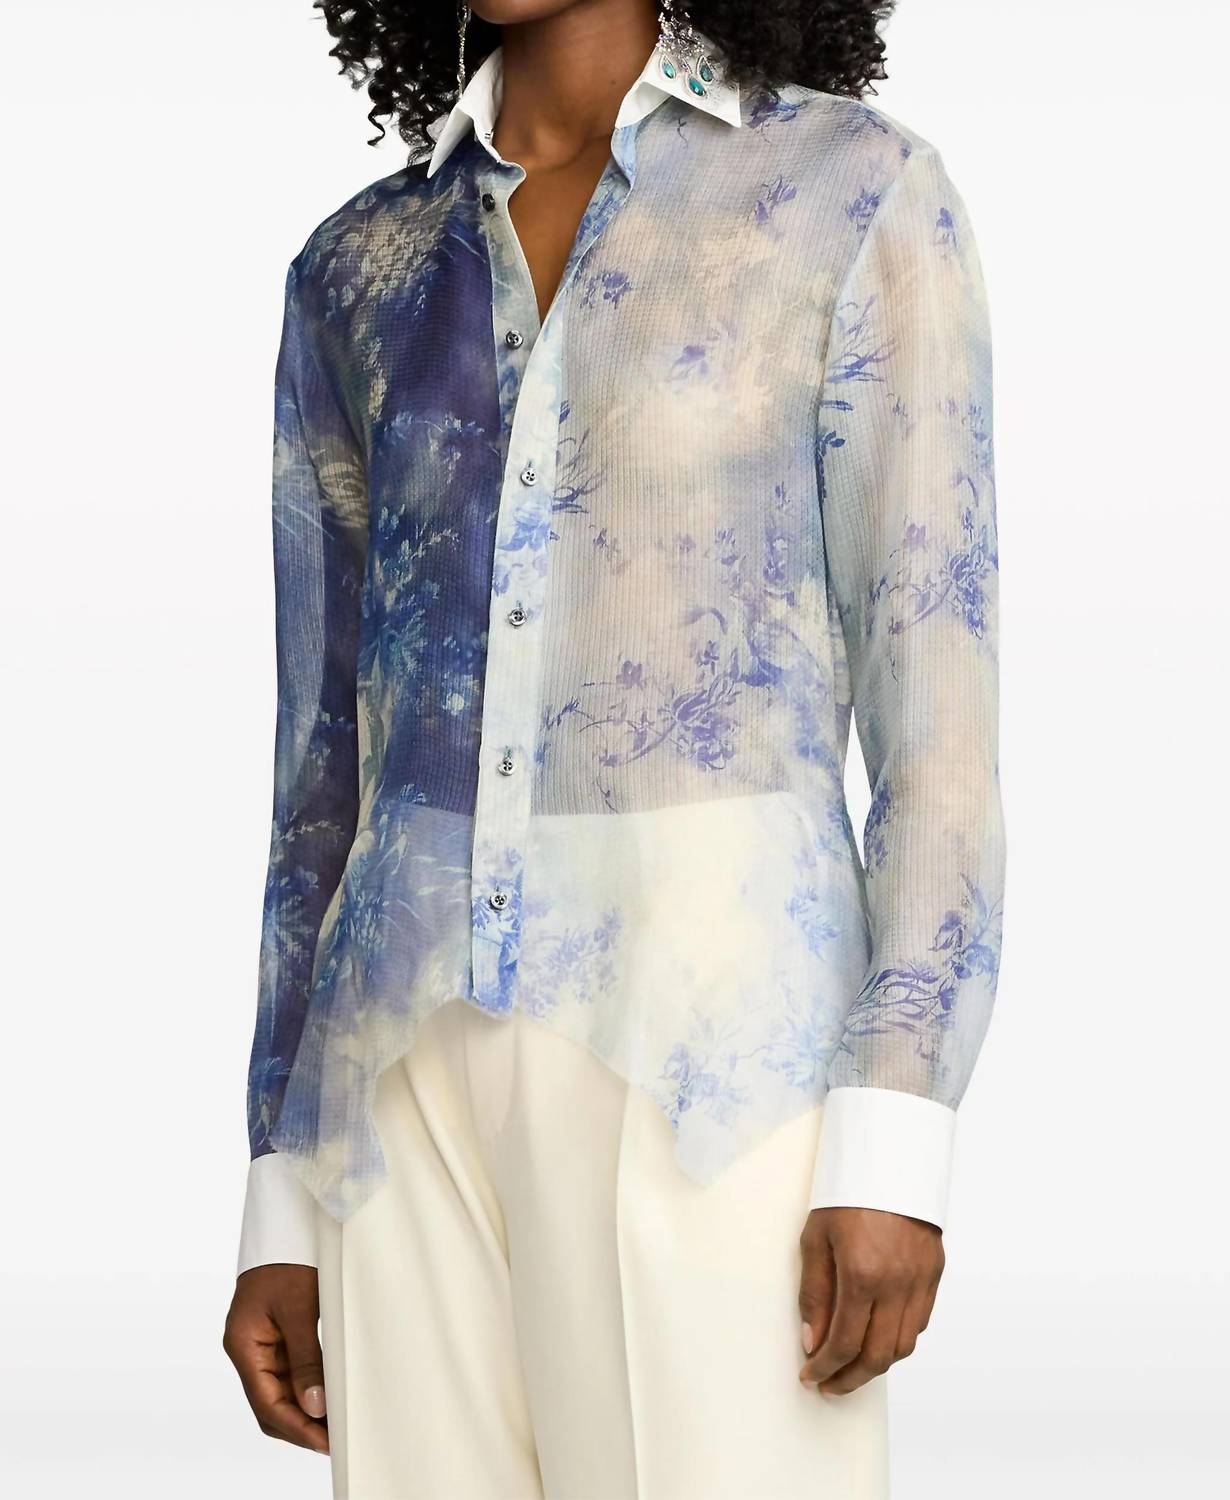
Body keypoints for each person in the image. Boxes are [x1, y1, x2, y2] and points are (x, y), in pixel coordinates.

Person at [223, 1, 1007, 1494]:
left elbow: (939, 714)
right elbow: (319, 763)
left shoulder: (848, 191)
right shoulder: (356, 266)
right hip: (394, 1080)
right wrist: (279, 1176)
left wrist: (897, 1124)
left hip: (718, 1049)